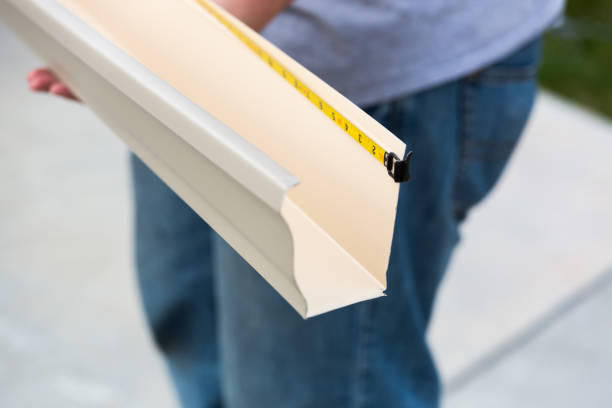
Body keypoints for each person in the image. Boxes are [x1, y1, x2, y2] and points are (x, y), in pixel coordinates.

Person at [28, 0, 565, 407]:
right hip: (188, 41)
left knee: (306, 391)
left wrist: (183, 43)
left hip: (361, 81)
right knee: (191, 325)